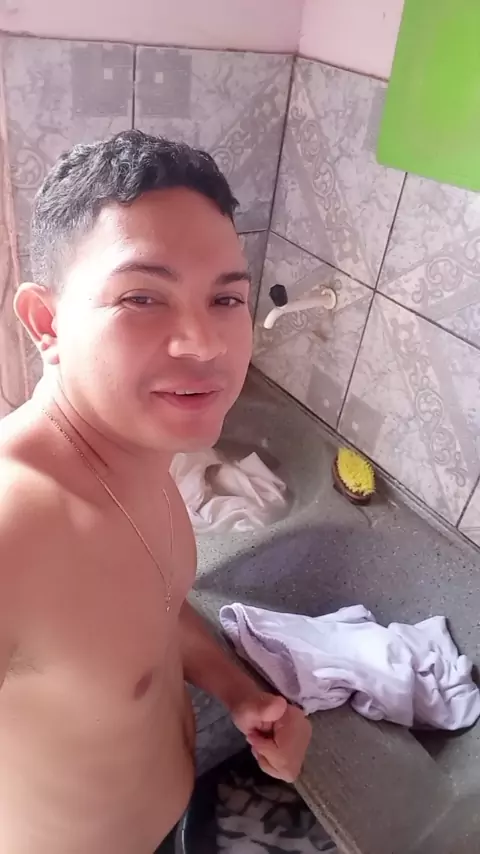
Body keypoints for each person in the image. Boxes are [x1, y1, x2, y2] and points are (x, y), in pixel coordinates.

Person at [0, 130, 311, 854]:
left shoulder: (139, 454)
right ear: (47, 322)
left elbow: (150, 612)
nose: (204, 343)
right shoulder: (16, 523)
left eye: (225, 298)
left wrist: (238, 691)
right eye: (142, 296)